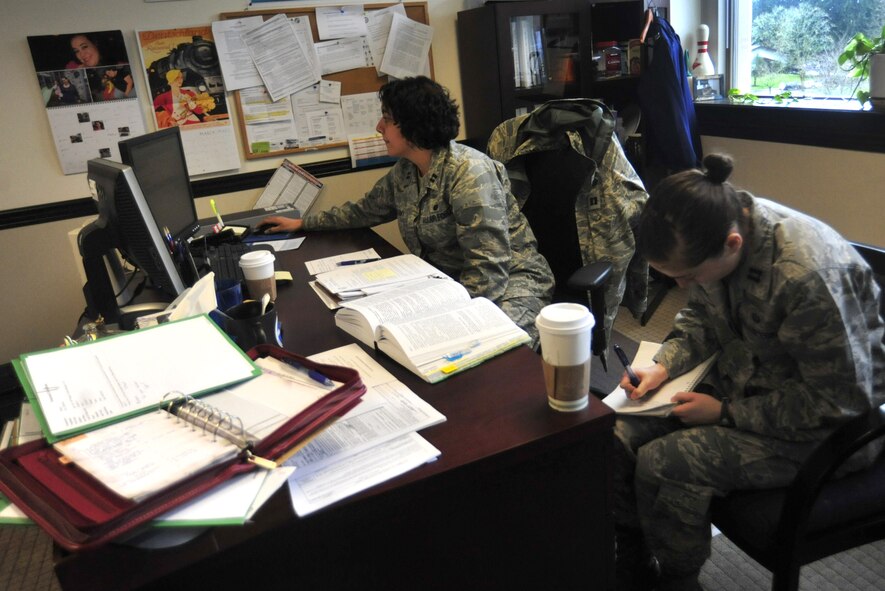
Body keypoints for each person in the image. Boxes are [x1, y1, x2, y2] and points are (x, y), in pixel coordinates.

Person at [612, 153, 884, 591]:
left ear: (732, 244)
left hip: (829, 431)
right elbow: (701, 321)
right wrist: (662, 366)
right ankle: (634, 556)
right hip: (751, 378)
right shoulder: (712, 230)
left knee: (667, 463)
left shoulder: (808, 278)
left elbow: (839, 401)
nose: (682, 286)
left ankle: (678, 581)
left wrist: (724, 414)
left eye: (687, 276)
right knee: (620, 431)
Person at [261, 76, 554, 345]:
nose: (378, 127)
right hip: (449, 284)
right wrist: (302, 223)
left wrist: (454, 319)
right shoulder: (406, 172)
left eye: (387, 119)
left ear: (414, 126)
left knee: (487, 347)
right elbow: (364, 211)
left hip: (513, 282)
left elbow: (489, 268)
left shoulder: (469, 173)